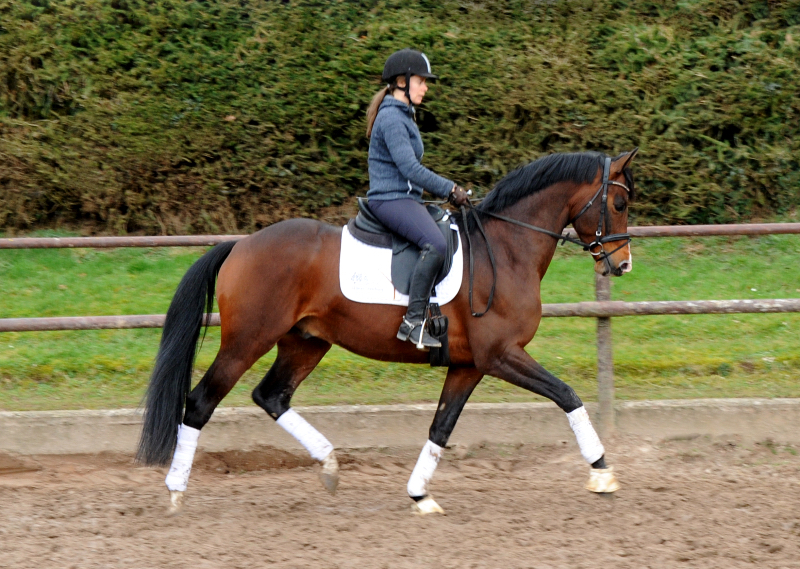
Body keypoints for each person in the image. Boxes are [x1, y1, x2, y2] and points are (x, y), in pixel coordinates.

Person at [365, 48, 470, 349]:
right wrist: (450, 189)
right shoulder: (392, 119)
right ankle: (412, 321)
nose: (425, 87)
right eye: (421, 81)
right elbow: (410, 168)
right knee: (435, 244)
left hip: (405, 198)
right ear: (402, 81)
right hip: (390, 200)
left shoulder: (403, 115)